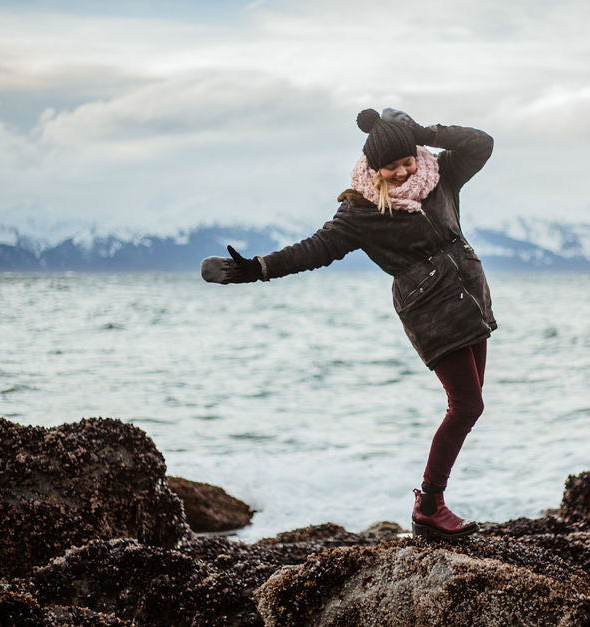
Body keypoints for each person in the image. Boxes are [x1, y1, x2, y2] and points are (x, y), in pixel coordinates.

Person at [201, 107, 496, 540]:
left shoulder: (440, 175)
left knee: (469, 407)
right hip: (431, 310)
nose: (401, 172)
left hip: (469, 300)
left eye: (406, 161)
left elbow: (480, 142)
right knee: (467, 405)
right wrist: (258, 268)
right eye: (390, 166)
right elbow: (315, 249)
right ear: (374, 168)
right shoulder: (361, 211)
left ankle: (431, 507)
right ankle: (429, 507)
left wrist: (422, 133)